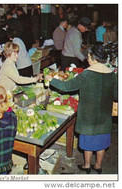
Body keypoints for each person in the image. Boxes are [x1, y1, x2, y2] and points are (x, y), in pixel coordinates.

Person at [47, 44, 118, 174]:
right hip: (104, 116)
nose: (87, 60)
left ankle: (87, 165)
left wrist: (52, 80)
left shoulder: (87, 74)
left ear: (93, 57)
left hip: (88, 116)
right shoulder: (112, 74)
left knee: (88, 142)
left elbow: (66, 87)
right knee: (101, 141)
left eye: (88, 57)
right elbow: (116, 95)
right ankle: (98, 166)